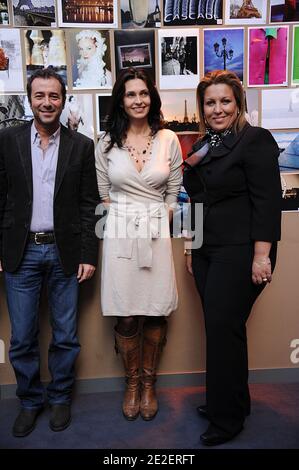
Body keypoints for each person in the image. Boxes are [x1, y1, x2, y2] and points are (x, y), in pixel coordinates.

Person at [183, 70, 281, 445]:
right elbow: (195, 199)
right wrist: (193, 246)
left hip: (242, 252)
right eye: (210, 102)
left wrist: (262, 256)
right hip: (209, 251)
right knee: (226, 331)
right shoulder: (205, 144)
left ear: (237, 103)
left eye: (225, 101)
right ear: (202, 108)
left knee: (224, 333)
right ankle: (234, 402)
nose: (217, 108)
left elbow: (267, 202)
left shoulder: (254, 140)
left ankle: (226, 420)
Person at [0, 68, 99, 437]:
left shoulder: (81, 145)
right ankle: (29, 401)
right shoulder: (7, 140)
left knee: (66, 336)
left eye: (54, 96)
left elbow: (90, 204)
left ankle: (59, 398)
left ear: (63, 99)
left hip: (65, 253)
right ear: (30, 98)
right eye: (40, 95)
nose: (47, 102)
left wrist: (89, 254)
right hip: (20, 253)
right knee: (23, 337)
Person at [95, 67, 182, 421]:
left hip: (155, 235)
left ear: (153, 98)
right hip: (119, 235)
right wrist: (120, 224)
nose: (138, 100)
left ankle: (149, 383)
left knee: (156, 309)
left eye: (143, 93)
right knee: (127, 313)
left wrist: (160, 222)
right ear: (120, 100)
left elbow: (174, 191)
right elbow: (103, 196)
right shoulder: (105, 143)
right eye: (130, 94)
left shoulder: (169, 140)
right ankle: (131, 383)